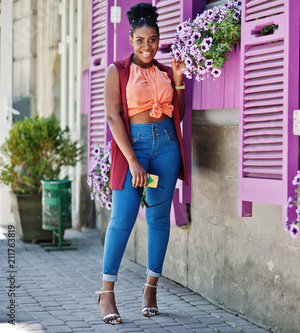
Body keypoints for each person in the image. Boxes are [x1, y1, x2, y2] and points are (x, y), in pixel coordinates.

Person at [96, 3, 187, 324]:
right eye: (140, 40)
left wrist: (177, 81)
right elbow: (112, 115)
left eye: (153, 40)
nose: (147, 47)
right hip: (131, 146)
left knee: (159, 219)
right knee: (121, 219)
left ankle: (151, 288)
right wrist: (133, 161)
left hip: (166, 146)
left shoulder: (163, 71)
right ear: (131, 39)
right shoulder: (117, 71)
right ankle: (107, 293)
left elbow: (180, 113)